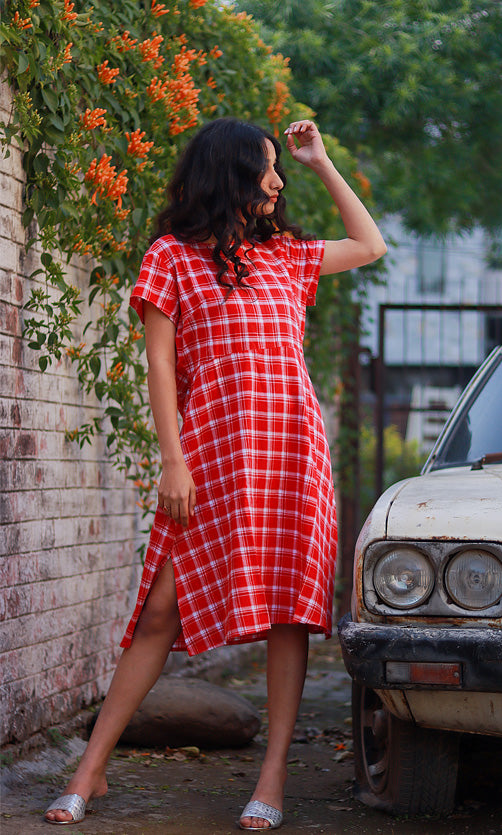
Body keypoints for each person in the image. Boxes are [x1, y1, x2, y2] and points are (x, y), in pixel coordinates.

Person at [44, 117, 386, 830]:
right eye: (265, 167)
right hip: (208, 454)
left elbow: (371, 244)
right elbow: (161, 366)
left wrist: (321, 161)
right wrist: (172, 459)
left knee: (289, 612)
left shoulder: (287, 257)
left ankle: (271, 775)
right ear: (226, 173)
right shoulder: (171, 256)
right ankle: (91, 766)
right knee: (160, 609)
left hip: (291, 454)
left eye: (278, 170)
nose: (276, 180)